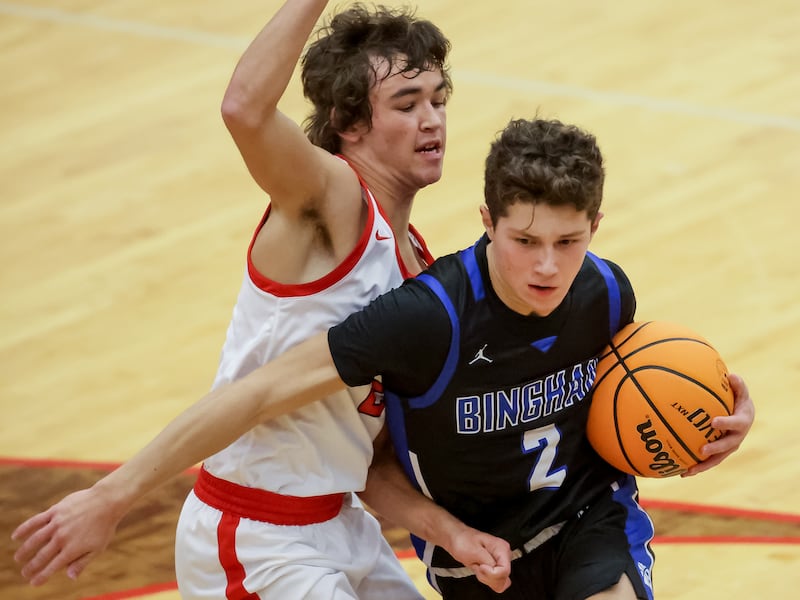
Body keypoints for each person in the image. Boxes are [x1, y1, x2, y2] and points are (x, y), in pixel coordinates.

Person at [13, 117, 755, 599]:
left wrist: (714, 417)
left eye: (569, 241)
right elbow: (258, 394)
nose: (547, 268)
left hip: (589, 519)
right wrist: (114, 495)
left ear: (596, 225)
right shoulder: (424, 318)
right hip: (475, 557)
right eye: (525, 241)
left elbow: (645, 397)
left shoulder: (604, 292)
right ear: (487, 221)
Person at [11, 1, 513, 598]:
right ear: (349, 125)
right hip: (256, 534)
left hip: (340, 525)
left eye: (437, 99)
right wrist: (109, 496)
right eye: (406, 105)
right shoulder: (334, 199)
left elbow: (371, 462)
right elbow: (244, 110)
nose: (432, 120)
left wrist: (452, 534)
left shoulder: (416, 260)